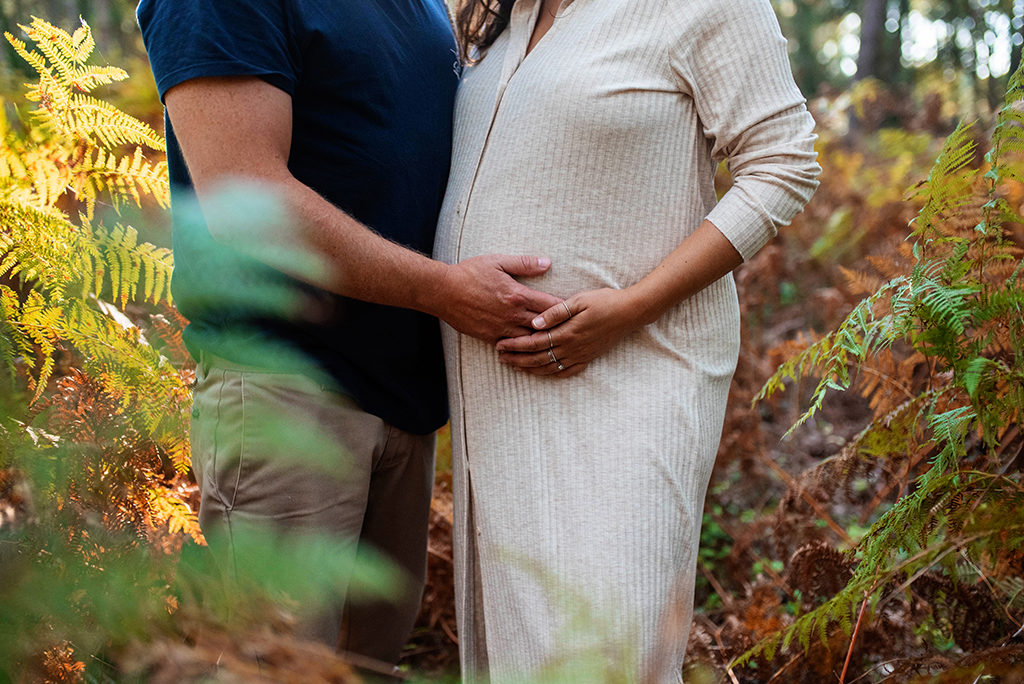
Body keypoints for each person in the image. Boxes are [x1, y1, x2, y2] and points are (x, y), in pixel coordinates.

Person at [136, 0, 563, 671]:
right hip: (291, 393)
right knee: (279, 670)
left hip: (406, 399)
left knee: (367, 666)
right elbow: (247, 201)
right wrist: (444, 291)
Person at [434, 0, 822, 680]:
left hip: (635, 369)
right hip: (497, 396)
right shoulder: (503, 18)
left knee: (609, 645)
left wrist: (633, 307)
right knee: (524, 644)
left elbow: (783, 163)